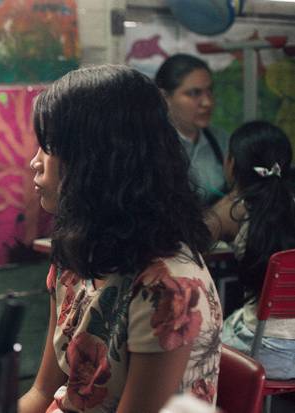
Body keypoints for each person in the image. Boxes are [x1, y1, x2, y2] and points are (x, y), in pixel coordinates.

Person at [18, 65, 222, 413]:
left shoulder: (169, 289)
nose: (34, 162)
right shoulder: (75, 257)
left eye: (49, 147)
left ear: (99, 160)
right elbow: (42, 392)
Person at [207, 120, 295, 380]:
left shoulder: (233, 212)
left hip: (263, 354)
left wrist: (224, 202)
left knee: (196, 347)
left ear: (231, 165)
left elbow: (190, 246)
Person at [155, 54, 229, 205]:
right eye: (194, 93)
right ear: (164, 98)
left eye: (209, 91)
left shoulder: (221, 140)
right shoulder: (150, 147)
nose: (207, 102)